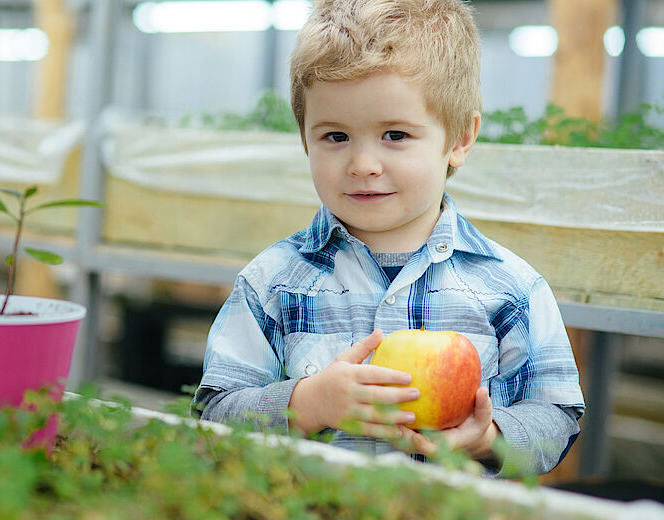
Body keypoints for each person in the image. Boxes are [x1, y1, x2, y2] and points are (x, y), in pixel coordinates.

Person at [192, 0, 584, 476]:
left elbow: (556, 415)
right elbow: (213, 415)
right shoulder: (273, 282)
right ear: (304, 139)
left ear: (460, 139)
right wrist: (305, 404)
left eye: (395, 134)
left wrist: (489, 437)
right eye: (335, 136)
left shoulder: (509, 288)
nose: (363, 164)